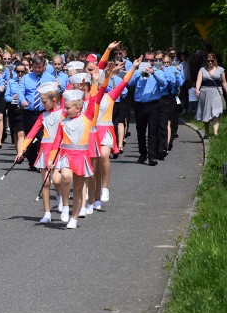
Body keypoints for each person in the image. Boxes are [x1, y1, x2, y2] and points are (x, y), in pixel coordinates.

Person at [48, 86, 105, 229]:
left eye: (67, 108)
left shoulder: (87, 119)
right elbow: (56, 142)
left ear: (78, 108)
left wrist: (97, 81)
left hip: (81, 156)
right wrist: (51, 159)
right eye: (64, 108)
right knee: (65, 177)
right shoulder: (63, 122)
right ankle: (66, 205)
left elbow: (94, 99)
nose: (65, 111)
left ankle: (74, 217)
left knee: (79, 188)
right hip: (66, 155)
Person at [94, 57, 141, 207]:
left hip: (106, 130)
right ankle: (94, 198)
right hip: (92, 132)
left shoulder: (111, 96)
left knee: (104, 155)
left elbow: (124, 82)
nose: (100, 82)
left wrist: (133, 68)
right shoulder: (88, 97)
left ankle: (105, 188)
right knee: (94, 166)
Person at [15, 82, 64, 223]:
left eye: (44, 102)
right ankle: (47, 213)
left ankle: (60, 194)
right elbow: (31, 134)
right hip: (45, 150)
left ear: (54, 100)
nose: (42, 105)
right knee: (45, 183)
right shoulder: (43, 116)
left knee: (56, 179)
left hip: (59, 149)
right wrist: (22, 150)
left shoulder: (63, 113)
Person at [129, 51, 168, 166]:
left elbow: (164, 84)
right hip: (140, 104)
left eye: (152, 60)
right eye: (147, 60)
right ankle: (142, 154)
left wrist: (154, 73)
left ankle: (152, 156)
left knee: (152, 131)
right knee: (140, 131)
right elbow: (130, 83)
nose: (150, 62)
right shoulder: (138, 71)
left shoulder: (158, 71)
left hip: (153, 104)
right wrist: (138, 72)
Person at [17, 56, 55, 171]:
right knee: (30, 137)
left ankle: (42, 161)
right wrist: (22, 100)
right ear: (32, 66)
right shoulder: (26, 78)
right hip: (29, 112)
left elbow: (54, 93)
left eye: (40, 67)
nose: (37, 70)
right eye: (35, 67)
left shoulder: (50, 78)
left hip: (44, 112)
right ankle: (32, 161)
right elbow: (20, 91)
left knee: (42, 137)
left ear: (44, 66)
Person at [195, 53, 227, 138]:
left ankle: (215, 132)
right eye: (208, 61)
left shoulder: (221, 70)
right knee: (206, 112)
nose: (210, 62)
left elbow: (224, 82)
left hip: (216, 92)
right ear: (206, 61)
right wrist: (197, 90)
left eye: (211, 61)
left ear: (215, 60)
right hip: (205, 92)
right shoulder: (202, 70)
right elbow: (198, 81)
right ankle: (206, 132)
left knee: (216, 112)